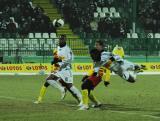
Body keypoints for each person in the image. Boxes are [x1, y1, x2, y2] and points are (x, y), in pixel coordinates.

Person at [34, 35, 82, 104]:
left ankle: (81, 100)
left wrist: (61, 64)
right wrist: (55, 61)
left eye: (61, 39)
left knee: (69, 86)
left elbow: (70, 60)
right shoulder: (58, 48)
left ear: (65, 40)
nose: (60, 41)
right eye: (59, 39)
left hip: (66, 70)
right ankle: (61, 89)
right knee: (48, 79)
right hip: (59, 69)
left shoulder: (68, 50)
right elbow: (59, 58)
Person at [79, 40, 111, 110]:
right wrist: (87, 75)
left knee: (84, 86)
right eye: (95, 45)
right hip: (94, 73)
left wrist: (107, 79)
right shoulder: (96, 53)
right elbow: (95, 66)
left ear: (101, 46)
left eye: (97, 45)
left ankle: (85, 105)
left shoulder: (104, 54)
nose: (95, 46)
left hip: (98, 74)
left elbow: (108, 68)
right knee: (88, 89)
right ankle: (97, 103)